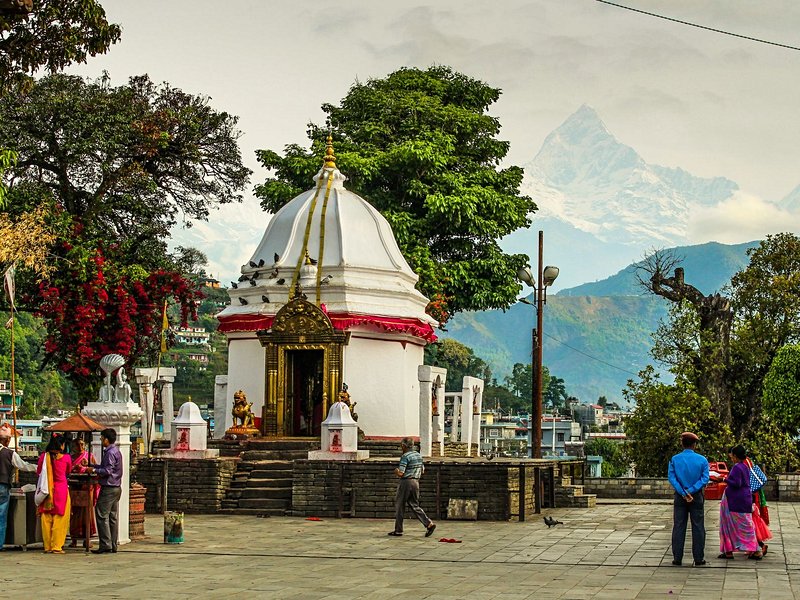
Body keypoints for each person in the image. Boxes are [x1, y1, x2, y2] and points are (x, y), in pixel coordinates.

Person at [667, 431, 710, 566]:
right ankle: (698, 558)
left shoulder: (675, 459)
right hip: (696, 496)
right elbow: (705, 478)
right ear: (694, 445)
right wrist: (691, 490)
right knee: (698, 526)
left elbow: (672, 477)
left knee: (679, 526)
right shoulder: (702, 460)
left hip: (680, 496)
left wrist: (683, 492)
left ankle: (677, 557)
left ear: (682, 443)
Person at [718, 445, 763, 560]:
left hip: (735, 500)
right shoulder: (744, 466)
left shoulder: (737, 467)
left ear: (735, 456)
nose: (731, 457)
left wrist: (723, 479)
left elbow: (736, 483)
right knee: (746, 525)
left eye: (732, 455)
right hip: (743, 499)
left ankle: (754, 550)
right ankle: (731, 550)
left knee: (732, 525)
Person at [388, 437, 436, 538]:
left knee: (400, 505)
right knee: (414, 505)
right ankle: (428, 523)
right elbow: (422, 470)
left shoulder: (405, 456)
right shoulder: (418, 455)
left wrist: (396, 471)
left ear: (403, 446)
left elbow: (401, 473)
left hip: (406, 482)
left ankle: (398, 530)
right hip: (416, 482)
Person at [0, 424, 37, 550]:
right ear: (7, 440)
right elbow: (24, 466)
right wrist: (39, 467)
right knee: (1, 515)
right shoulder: (9, 453)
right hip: (3, 486)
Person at [87, 428, 122, 554]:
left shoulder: (109, 453)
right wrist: (93, 466)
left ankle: (105, 544)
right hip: (116, 487)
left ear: (106, 439)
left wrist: (94, 471)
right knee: (112, 517)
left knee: (102, 515)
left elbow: (107, 471)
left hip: (108, 487)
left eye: (102, 438)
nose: (101, 440)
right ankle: (112, 544)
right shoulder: (116, 451)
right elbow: (106, 467)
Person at [36, 433, 73, 554]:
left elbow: (38, 472)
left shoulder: (43, 457)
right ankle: (57, 546)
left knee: (46, 517)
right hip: (61, 489)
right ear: (61, 446)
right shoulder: (66, 458)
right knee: (60, 518)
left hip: (46, 489)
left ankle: (47, 546)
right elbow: (68, 471)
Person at [68, 437, 97, 548]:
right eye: (77, 445)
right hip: (74, 488)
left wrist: (87, 467)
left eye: (82, 444)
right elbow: (67, 471)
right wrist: (75, 467)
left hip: (86, 488)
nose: (80, 447)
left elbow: (94, 471)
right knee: (74, 514)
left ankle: (87, 539)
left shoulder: (89, 457)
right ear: (74, 446)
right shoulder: (71, 458)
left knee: (87, 514)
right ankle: (74, 539)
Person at [745, 454, 772, 557]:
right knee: (753, 522)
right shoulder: (749, 461)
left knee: (751, 523)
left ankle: (759, 546)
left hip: (750, 496)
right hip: (754, 495)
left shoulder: (743, 463)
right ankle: (757, 546)